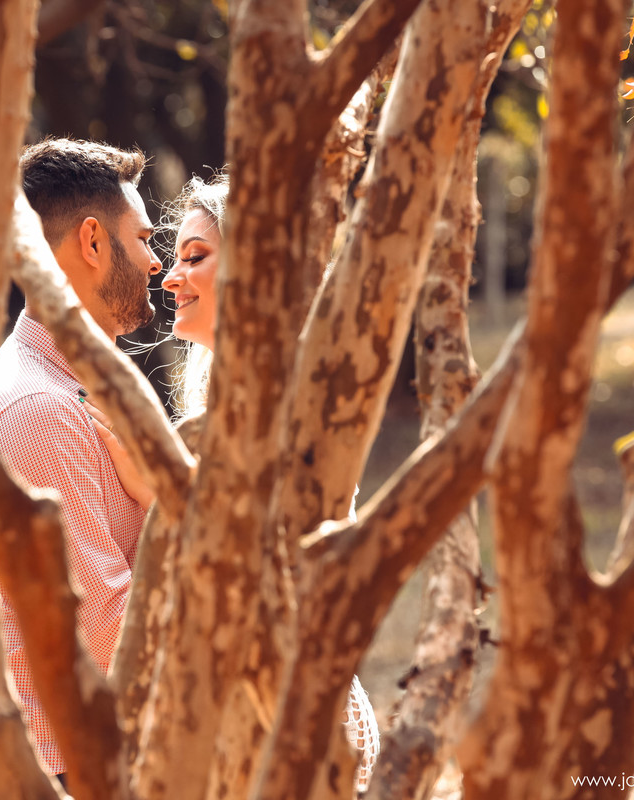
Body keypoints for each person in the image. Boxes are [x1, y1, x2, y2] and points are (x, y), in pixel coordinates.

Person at [161, 173, 382, 790]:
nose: (171, 277)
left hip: (292, 724)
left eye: (195, 258)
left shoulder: (289, 398)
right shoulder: (223, 394)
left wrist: (151, 473)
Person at [0, 138, 162, 778]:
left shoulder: (87, 386)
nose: (154, 261)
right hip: (75, 767)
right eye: (142, 239)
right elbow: (109, 632)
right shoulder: (39, 409)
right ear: (92, 242)